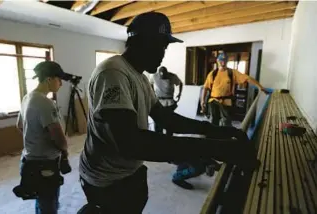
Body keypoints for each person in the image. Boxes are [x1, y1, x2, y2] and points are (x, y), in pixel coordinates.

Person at [78, 12, 258, 214]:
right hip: (105, 180)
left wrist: (219, 132)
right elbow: (131, 143)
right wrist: (213, 149)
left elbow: (168, 119)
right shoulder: (112, 73)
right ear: (145, 42)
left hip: (127, 172)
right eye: (162, 46)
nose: (164, 53)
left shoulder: (141, 78)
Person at [14, 61, 72, 214]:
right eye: (58, 80)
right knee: (49, 206)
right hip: (44, 165)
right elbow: (59, 138)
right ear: (49, 79)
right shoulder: (45, 103)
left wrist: (35, 141)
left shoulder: (27, 98)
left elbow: (19, 126)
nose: (60, 84)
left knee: (41, 202)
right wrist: (64, 150)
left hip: (29, 161)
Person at [201, 52, 268, 127]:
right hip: (213, 101)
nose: (223, 62)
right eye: (221, 60)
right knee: (213, 121)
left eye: (225, 60)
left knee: (226, 122)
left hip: (226, 102)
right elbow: (206, 87)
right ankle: (213, 137)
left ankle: (225, 137)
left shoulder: (232, 72)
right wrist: (202, 101)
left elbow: (247, 78)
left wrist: (260, 86)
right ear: (217, 61)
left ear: (227, 61)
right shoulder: (212, 74)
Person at [150, 66, 183, 136]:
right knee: (158, 122)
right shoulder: (154, 76)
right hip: (159, 101)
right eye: (161, 77)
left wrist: (179, 94)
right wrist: (152, 93)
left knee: (169, 122)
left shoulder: (172, 76)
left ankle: (169, 139)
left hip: (169, 101)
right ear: (158, 74)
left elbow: (180, 83)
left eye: (165, 76)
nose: (163, 78)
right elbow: (150, 83)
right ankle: (158, 138)